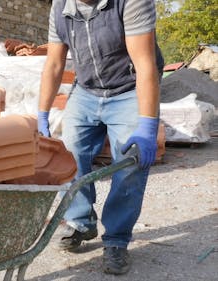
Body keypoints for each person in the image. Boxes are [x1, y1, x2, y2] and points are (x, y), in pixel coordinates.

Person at [38, 0, 164, 275]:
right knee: (69, 155)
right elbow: (55, 63)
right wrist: (42, 113)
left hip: (129, 89)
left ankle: (117, 240)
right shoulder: (60, 7)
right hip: (87, 90)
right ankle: (81, 223)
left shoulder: (131, 2)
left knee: (129, 163)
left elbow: (145, 64)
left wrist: (147, 126)